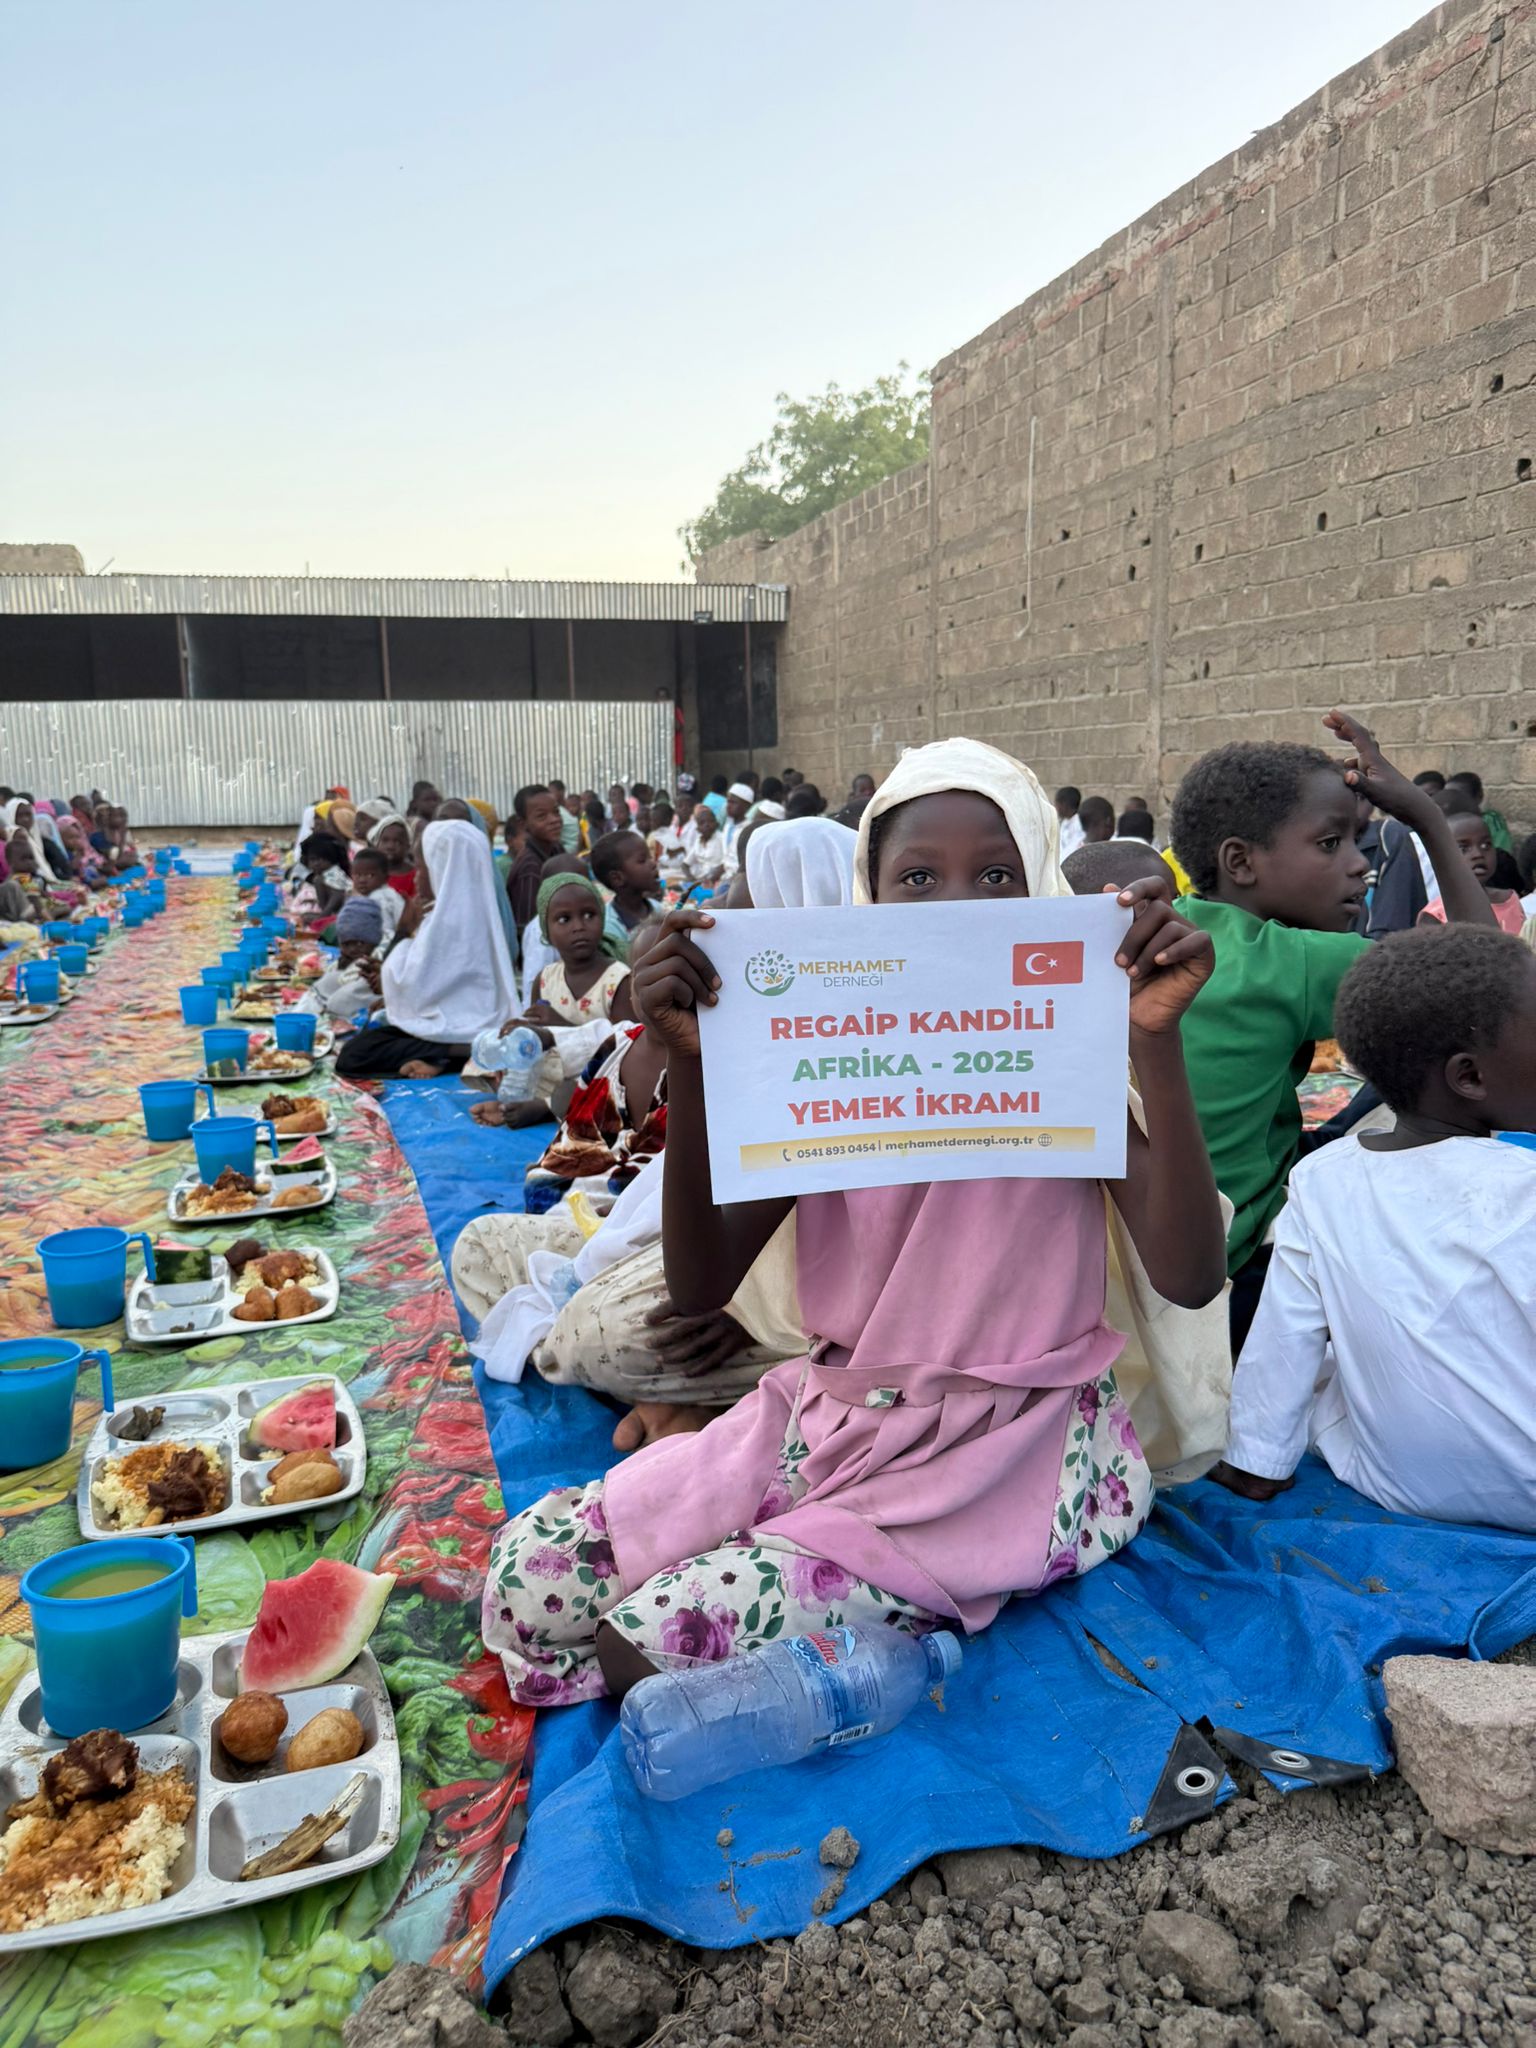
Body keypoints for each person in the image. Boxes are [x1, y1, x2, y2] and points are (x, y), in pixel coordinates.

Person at [482, 736, 1228, 1706]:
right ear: (870, 896)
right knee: (525, 1581)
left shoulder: (1064, 1068)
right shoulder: (823, 1066)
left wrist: (1153, 1043)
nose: (956, 905)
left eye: (997, 876)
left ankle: (853, 1564)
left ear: (1043, 890)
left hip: (1009, 1454)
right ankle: (787, 1538)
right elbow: (702, 1282)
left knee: (647, 1647)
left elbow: (1189, 1275)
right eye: (918, 877)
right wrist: (696, 1065)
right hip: (832, 1416)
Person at [1168, 711, 1499, 1352]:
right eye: (1329, 844)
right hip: (1229, 1268)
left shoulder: (1178, 925)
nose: (1359, 867)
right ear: (1240, 861)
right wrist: (1427, 821)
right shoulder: (1284, 960)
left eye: (1359, 841)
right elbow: (1485, 974)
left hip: (1144, 1253)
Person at [1213, 926, 1536, 1533]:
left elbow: (1284, 1341)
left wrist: (1255, 1463)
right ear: (1469, 1077)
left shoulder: (1320, 1179)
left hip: (1400, 1481)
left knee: (1336, 1363)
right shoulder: (1525, 1185)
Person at [336, 818, 519, 1078]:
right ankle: (457, 1054)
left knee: (354, 1054)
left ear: (443, 870)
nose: (416, 877)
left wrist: (405, 930)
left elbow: (412, 985)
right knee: (372, 1032)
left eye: (421, 868)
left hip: (458, 1029)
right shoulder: (473, 913)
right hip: (466, 1025)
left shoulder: (448, 922)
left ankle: (452, 1053)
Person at [526, 870, 635, 1026]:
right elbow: (536, 1035)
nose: (578, 927)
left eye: (589, 915)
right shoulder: (545, 981)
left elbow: (627, 1038)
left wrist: (562, 1026)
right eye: (564, 919)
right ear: (546, 931)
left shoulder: (618, 980)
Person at [1417, 806, 1527, 935]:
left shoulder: (1510, 900)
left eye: (1486, 845)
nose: (1478, 854)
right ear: (1442, 856)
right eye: (1463, 848)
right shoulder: (1436, 915)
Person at [304, 896, 385, 1022]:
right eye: (346, 944)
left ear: (375, 941)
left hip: (366, 1014)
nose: (352, 950)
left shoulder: (378, 957)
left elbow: (346, 996)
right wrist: (343, 967)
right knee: (326, 981)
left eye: (360, 943)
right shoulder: (347, 961)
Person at [505, 786, 568, 935]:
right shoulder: (530, 867)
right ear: (523, 823)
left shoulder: (556, 848)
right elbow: (526, 927)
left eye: (556, 812)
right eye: (541, 816)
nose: (554, 820)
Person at [590, 829, 662, 935]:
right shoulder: (610, 926)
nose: (653, 864)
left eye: (650, 857)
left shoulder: (657, 908)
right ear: (617, 878)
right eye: (642, 860)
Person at [1445, 769, 1512, 853]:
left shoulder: (1491, 821)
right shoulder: (1446, 821)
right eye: (1447, 795)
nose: (1452, 801)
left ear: (1479, 797)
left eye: (1460, 797)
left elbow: (1502, 851)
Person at [346, 845, 401, 943]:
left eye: (370, 875)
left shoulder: (380, 899)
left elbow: (386, 933)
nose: (362, 880)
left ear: (386, 877)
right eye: (357, 875)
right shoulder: (373, 896)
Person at [369, 814, 416, 897]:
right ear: (376, 843)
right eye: (385, 840)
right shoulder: (369, 872)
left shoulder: (414, 876)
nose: (390, 846)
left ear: (408, 846)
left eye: (397, 842)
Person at [683, 804, 725, 892]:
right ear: (697, 829)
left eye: (710, 821)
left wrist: (711, 878)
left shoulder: (722, 839)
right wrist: (691, 878)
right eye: (702, 823)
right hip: (700, 879)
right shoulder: (698, 841)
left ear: (717, 824)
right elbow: (685, 865)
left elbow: (725, 864)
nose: (707, 825)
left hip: (717, 880)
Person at [646, 798, 689, 884]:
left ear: (666, 820)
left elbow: (678, 861)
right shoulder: (654, 834)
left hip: (671, 873)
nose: (651, 823)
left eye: (654, 821)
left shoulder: (668, 837)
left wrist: (661, 859)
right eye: (651, 820)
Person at [719, 784, 754, 874]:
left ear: (747, 806)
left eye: (733, 802)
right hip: (725, 875)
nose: (728, 806)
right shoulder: (727, 826)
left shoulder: (749, 829)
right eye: (728, 802)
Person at [547, 779, 583, 853]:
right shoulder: (557, 809)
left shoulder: (570, 806)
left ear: (561, 792)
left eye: (552, 792)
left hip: (571, 848)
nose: (550, 795)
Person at [1055, 786, 1085, 858]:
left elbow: (1073, 849)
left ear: (1064, 805)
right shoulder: (1065, 822)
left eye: (1057, 804)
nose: (1055, 808)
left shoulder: (1079, 825)